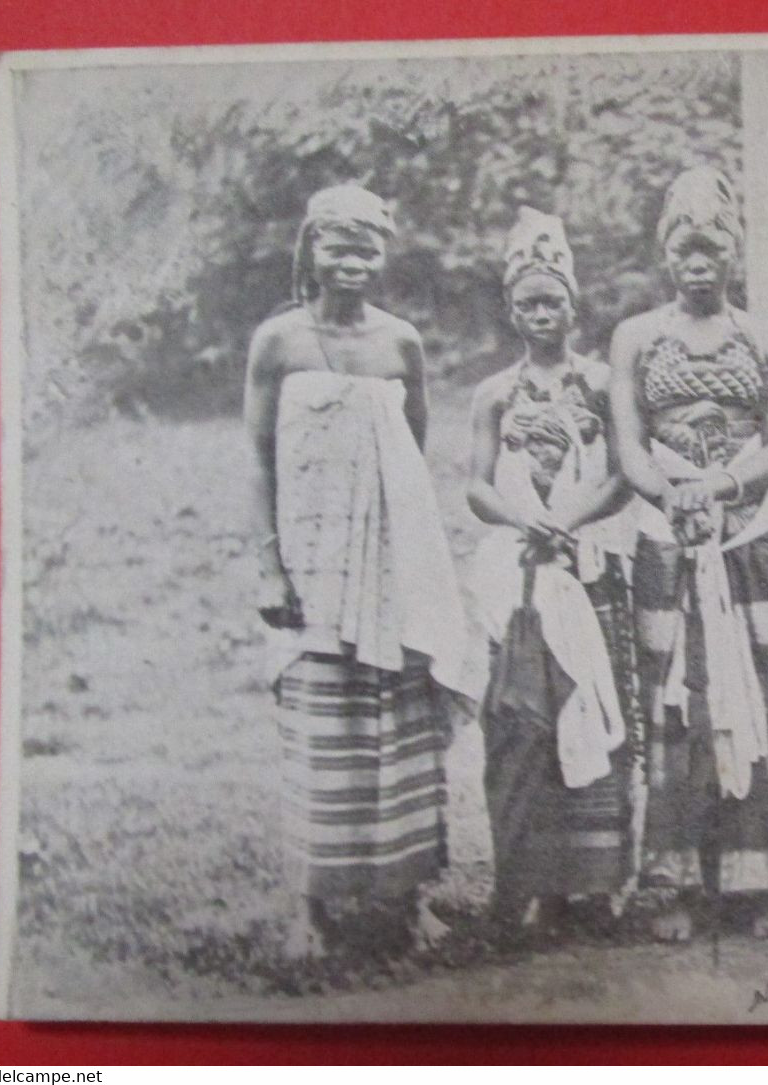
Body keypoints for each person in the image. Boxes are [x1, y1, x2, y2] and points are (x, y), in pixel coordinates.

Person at [244, 184, 479, 958]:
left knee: (396, 725)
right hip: (310, 563)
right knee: (320, 728)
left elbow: (411, 449)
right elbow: (257, 461)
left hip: (391, 563)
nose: (352, 261)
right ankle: (307, 913)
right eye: (337, 245)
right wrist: (269, 568)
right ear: (309, 249)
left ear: (384, 256)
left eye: (367, 247)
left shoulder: (401, 344)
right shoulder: (276, 341)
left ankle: (407, 901)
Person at [607, 166, 768, 942]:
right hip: (667, 538)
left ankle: (761, 881)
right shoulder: (635, 338)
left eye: (712, 245)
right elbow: (628, 445)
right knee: (674, 702)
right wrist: (672, 493)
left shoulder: (767, 338)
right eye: (683, 247)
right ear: (665, 255)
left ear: (733, 252)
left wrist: (723, 483)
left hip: (751, 534)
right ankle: (679, 881)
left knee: (763, 694)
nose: (698, 261)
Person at [466, 208, 640, 945]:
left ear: (576, 305)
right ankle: (527, 889)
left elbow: (627, 473)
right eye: (529, 303)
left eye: (555, 301)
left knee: (597, 711)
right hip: (525, 578)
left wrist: (571, 518)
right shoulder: (494, 393)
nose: (543, 314)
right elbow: (475, 484)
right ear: (512, 311)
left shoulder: (602, 383)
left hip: (591, 566)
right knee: (522, 721)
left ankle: (596, 890)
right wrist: (518, 517)